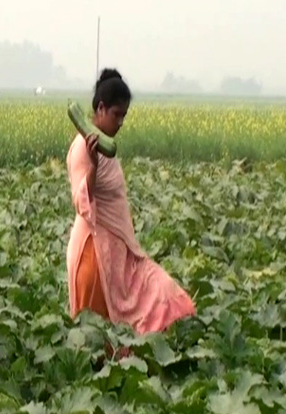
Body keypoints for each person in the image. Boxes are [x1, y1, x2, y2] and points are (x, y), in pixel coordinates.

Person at [66, 68, 196, 358]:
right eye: (116, 114)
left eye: (124, 115)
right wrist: (94, 166)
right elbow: (81, 201)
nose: (121, 122)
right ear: (99, 109)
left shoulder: (106, 145)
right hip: (93, 255)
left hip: (116, 254)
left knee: (162, 296)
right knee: (98, 341)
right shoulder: (82, 149)